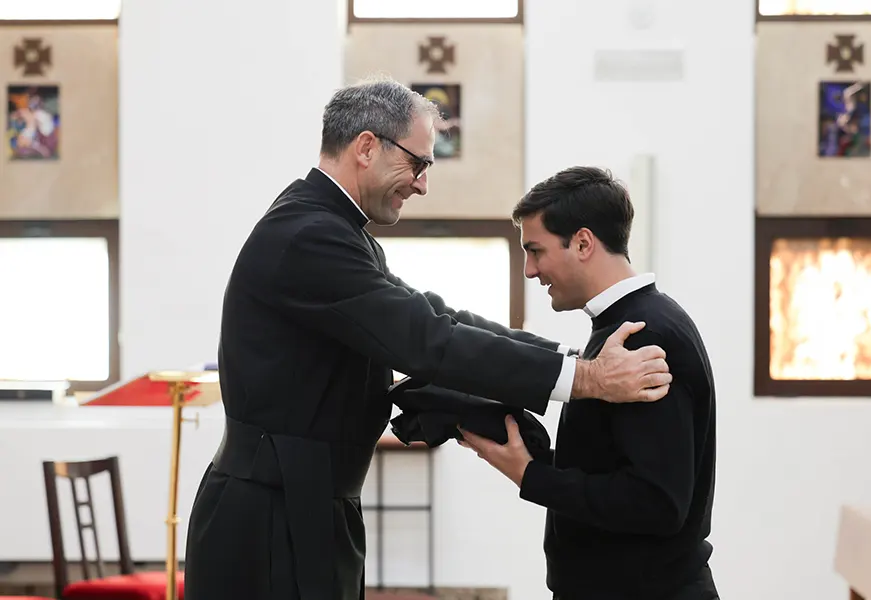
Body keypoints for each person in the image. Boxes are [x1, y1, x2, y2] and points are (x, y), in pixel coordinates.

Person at [182, 78, 674, 600]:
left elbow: (436, 315)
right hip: (268, 513)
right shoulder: (310, 234)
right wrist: (586, 379)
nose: (421, 185)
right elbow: (426, 340)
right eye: (419, 163)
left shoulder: (335, 228)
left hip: (303, 500)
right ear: (367, 147)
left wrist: (572, 358)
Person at [460, 166, 719, 600]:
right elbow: (617, 463)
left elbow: (657, 503)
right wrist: (533, 452)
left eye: (536, 250)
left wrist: (531, 475)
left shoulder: (643, 333)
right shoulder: (628, 323)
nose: (529, 270)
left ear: (582, 242)